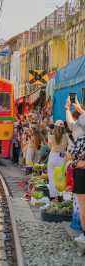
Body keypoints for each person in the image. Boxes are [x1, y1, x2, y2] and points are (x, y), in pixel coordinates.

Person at [65, 96, 85, 243]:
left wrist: (74, 105)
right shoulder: (78, 132)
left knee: (83, 207)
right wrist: (68, 108)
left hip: (81, 170)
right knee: (82, 207)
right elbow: (72, 124)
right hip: (79, 171)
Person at [47, 120, 68, 200]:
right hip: (62, 157)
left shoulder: (51, 135)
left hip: (52, 156)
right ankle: (61, 196)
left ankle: (54, 197)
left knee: (52, 177)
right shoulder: (66, 136)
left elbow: (49, 147)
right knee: (61, 178)